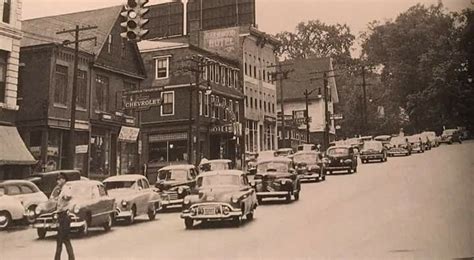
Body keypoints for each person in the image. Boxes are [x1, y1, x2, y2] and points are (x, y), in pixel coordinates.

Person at [54, 173, 75, 260]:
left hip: (64, 216)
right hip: (61, 216)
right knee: (65, 239)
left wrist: (65, 197)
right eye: (57, 179)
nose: (57, 181)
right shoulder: (61, 189)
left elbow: (69, 196)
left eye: (59, 179)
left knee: (61, 239)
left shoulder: (66, 188)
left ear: (63, 180)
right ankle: (71, 258)